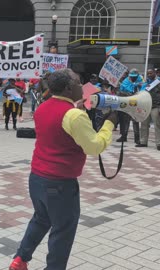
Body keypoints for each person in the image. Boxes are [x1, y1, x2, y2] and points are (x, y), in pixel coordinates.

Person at [9, 69, 117, 270]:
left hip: (37, 178)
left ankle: (20, 259)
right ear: (68, 88)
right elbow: (94, 147)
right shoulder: (73, 115)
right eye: (78, 82)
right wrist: (109, 123)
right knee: (63, 231)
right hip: (60, 183)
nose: (82, 86)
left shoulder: (43, 107)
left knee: (41, 219)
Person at [117, 69, 144, 143]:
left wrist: (137, 86)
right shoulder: (125, 81)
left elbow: (143, 90)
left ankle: (137, 138)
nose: (133, 78)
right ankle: (124, 136)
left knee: (135, 120)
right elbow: (121, 91)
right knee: (126, 120)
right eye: (132, 77)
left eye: (135, 77)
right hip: (127, 102)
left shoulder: (140, 80)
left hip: (137, 102)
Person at [137, 77, 160, 150]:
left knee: (157, 125)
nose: (150, 75)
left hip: (155, 106)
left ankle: (158, 143)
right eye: (148, 74)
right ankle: (143, 142)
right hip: (146, 106)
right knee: (144, 124)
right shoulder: (145, 84)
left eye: (151, 73)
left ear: (154, 74)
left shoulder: (157, 84)